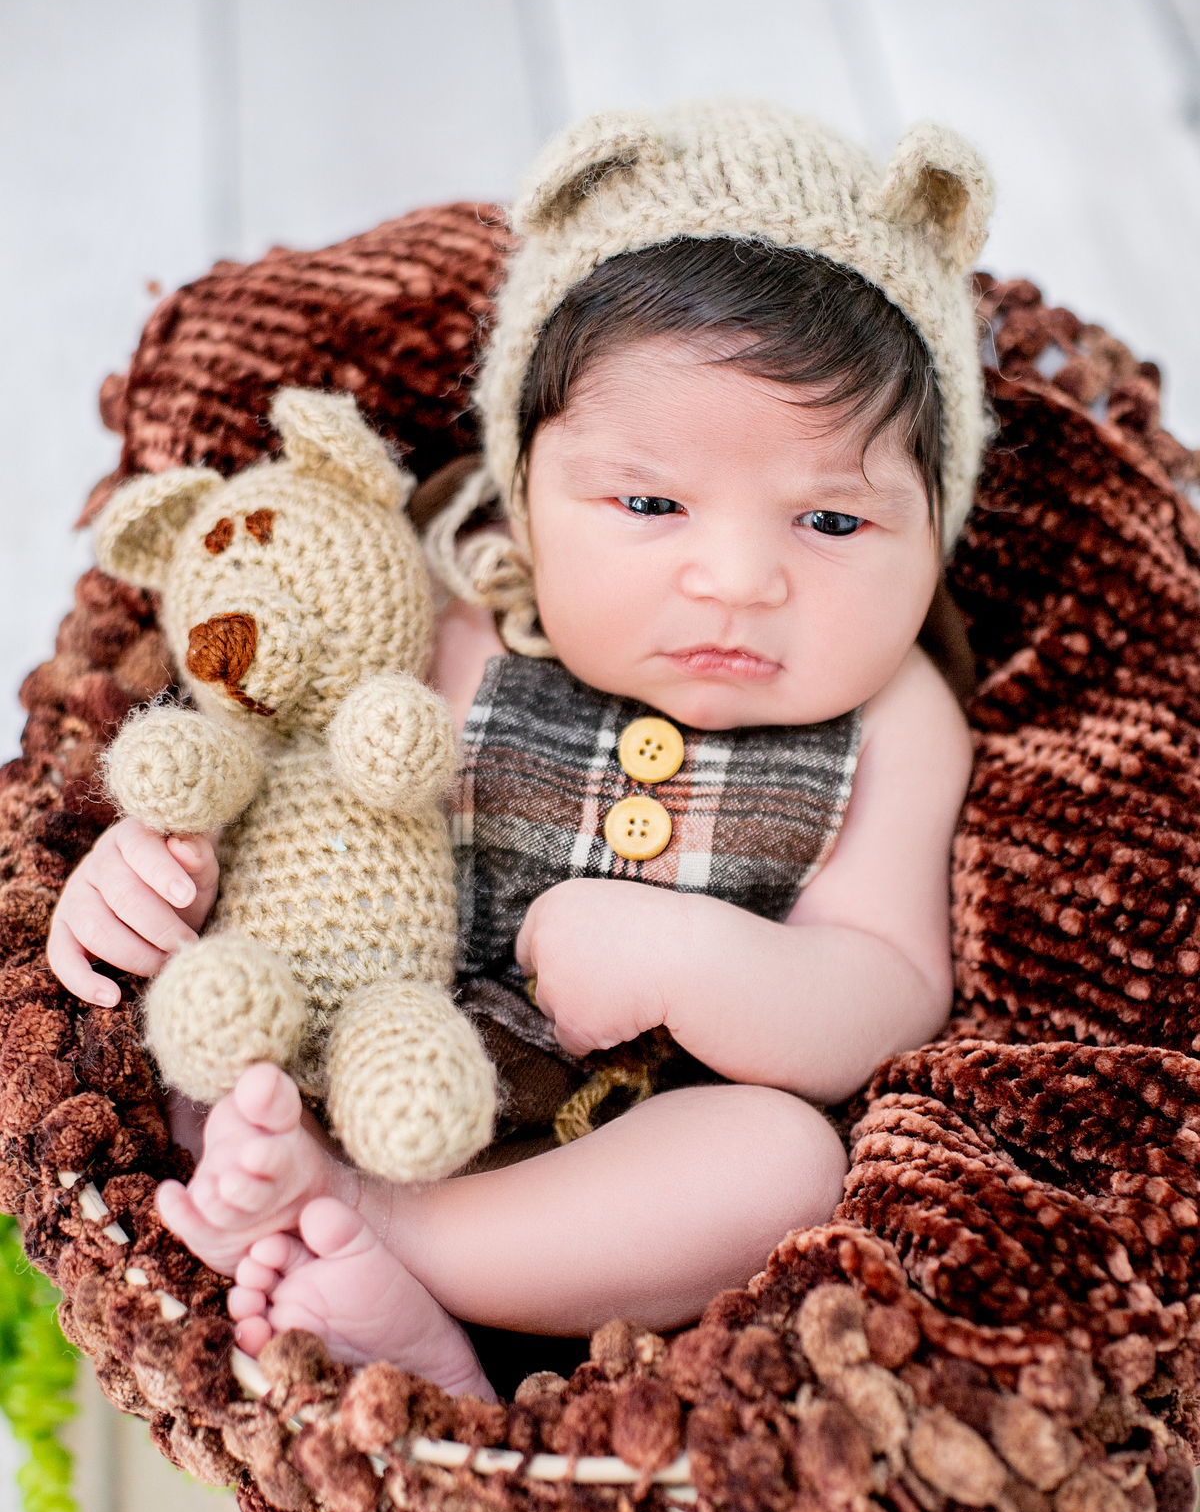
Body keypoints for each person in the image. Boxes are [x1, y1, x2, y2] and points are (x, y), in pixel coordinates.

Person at [47, 102, 988, 1400]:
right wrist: (146, 875)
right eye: (650, 502)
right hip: (361, 1055)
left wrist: (694, 958)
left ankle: (391, 1244)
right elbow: (258, 768)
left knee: (786, 1165)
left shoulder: (895, 719)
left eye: (831, 521)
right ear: (525, 494)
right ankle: (337, 1246)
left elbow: (890, 988)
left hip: (612, 1180)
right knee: (215, 1041)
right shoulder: (451, 618)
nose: (737, 579)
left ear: (937, 526)